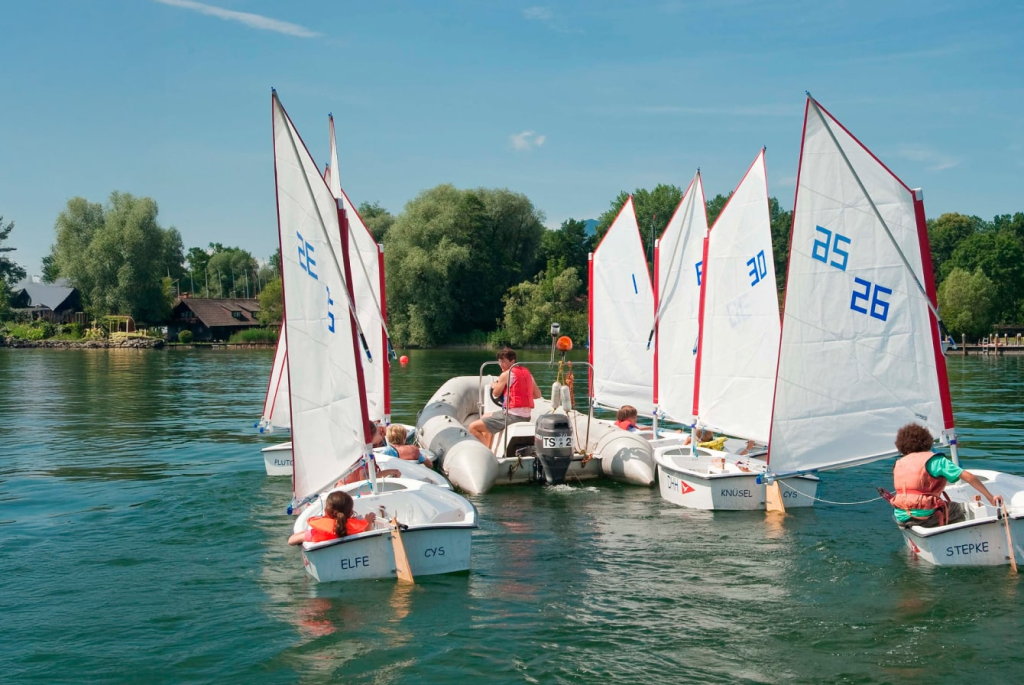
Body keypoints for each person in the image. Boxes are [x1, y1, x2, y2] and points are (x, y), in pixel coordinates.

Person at [887, 422, 1002, 528]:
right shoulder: (935, 460)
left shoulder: (898, 463)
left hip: (901, 515)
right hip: (925, 516)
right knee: (956, 508)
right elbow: (969, 477)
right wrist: (990, 497)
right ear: (927, 441)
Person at [469, 347, 541, 446]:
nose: (500, 364)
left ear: (512, 361)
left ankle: (487, 453)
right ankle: (489, 446)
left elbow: (495, 394)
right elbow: (537, 395)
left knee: (473, 427)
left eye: (503, 361)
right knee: (486, 416)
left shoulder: (506, 374)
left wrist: (495, 386)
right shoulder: (528, 374)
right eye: (499, 361)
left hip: (512, 416)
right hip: (526, 416)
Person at [288, 491, 378, 545]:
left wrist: (305, 533)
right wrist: (368, 522)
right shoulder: (357, 528)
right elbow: (366, 533)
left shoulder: (318, 532)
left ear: (326, 511)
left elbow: (291, 541)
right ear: (350, 512)